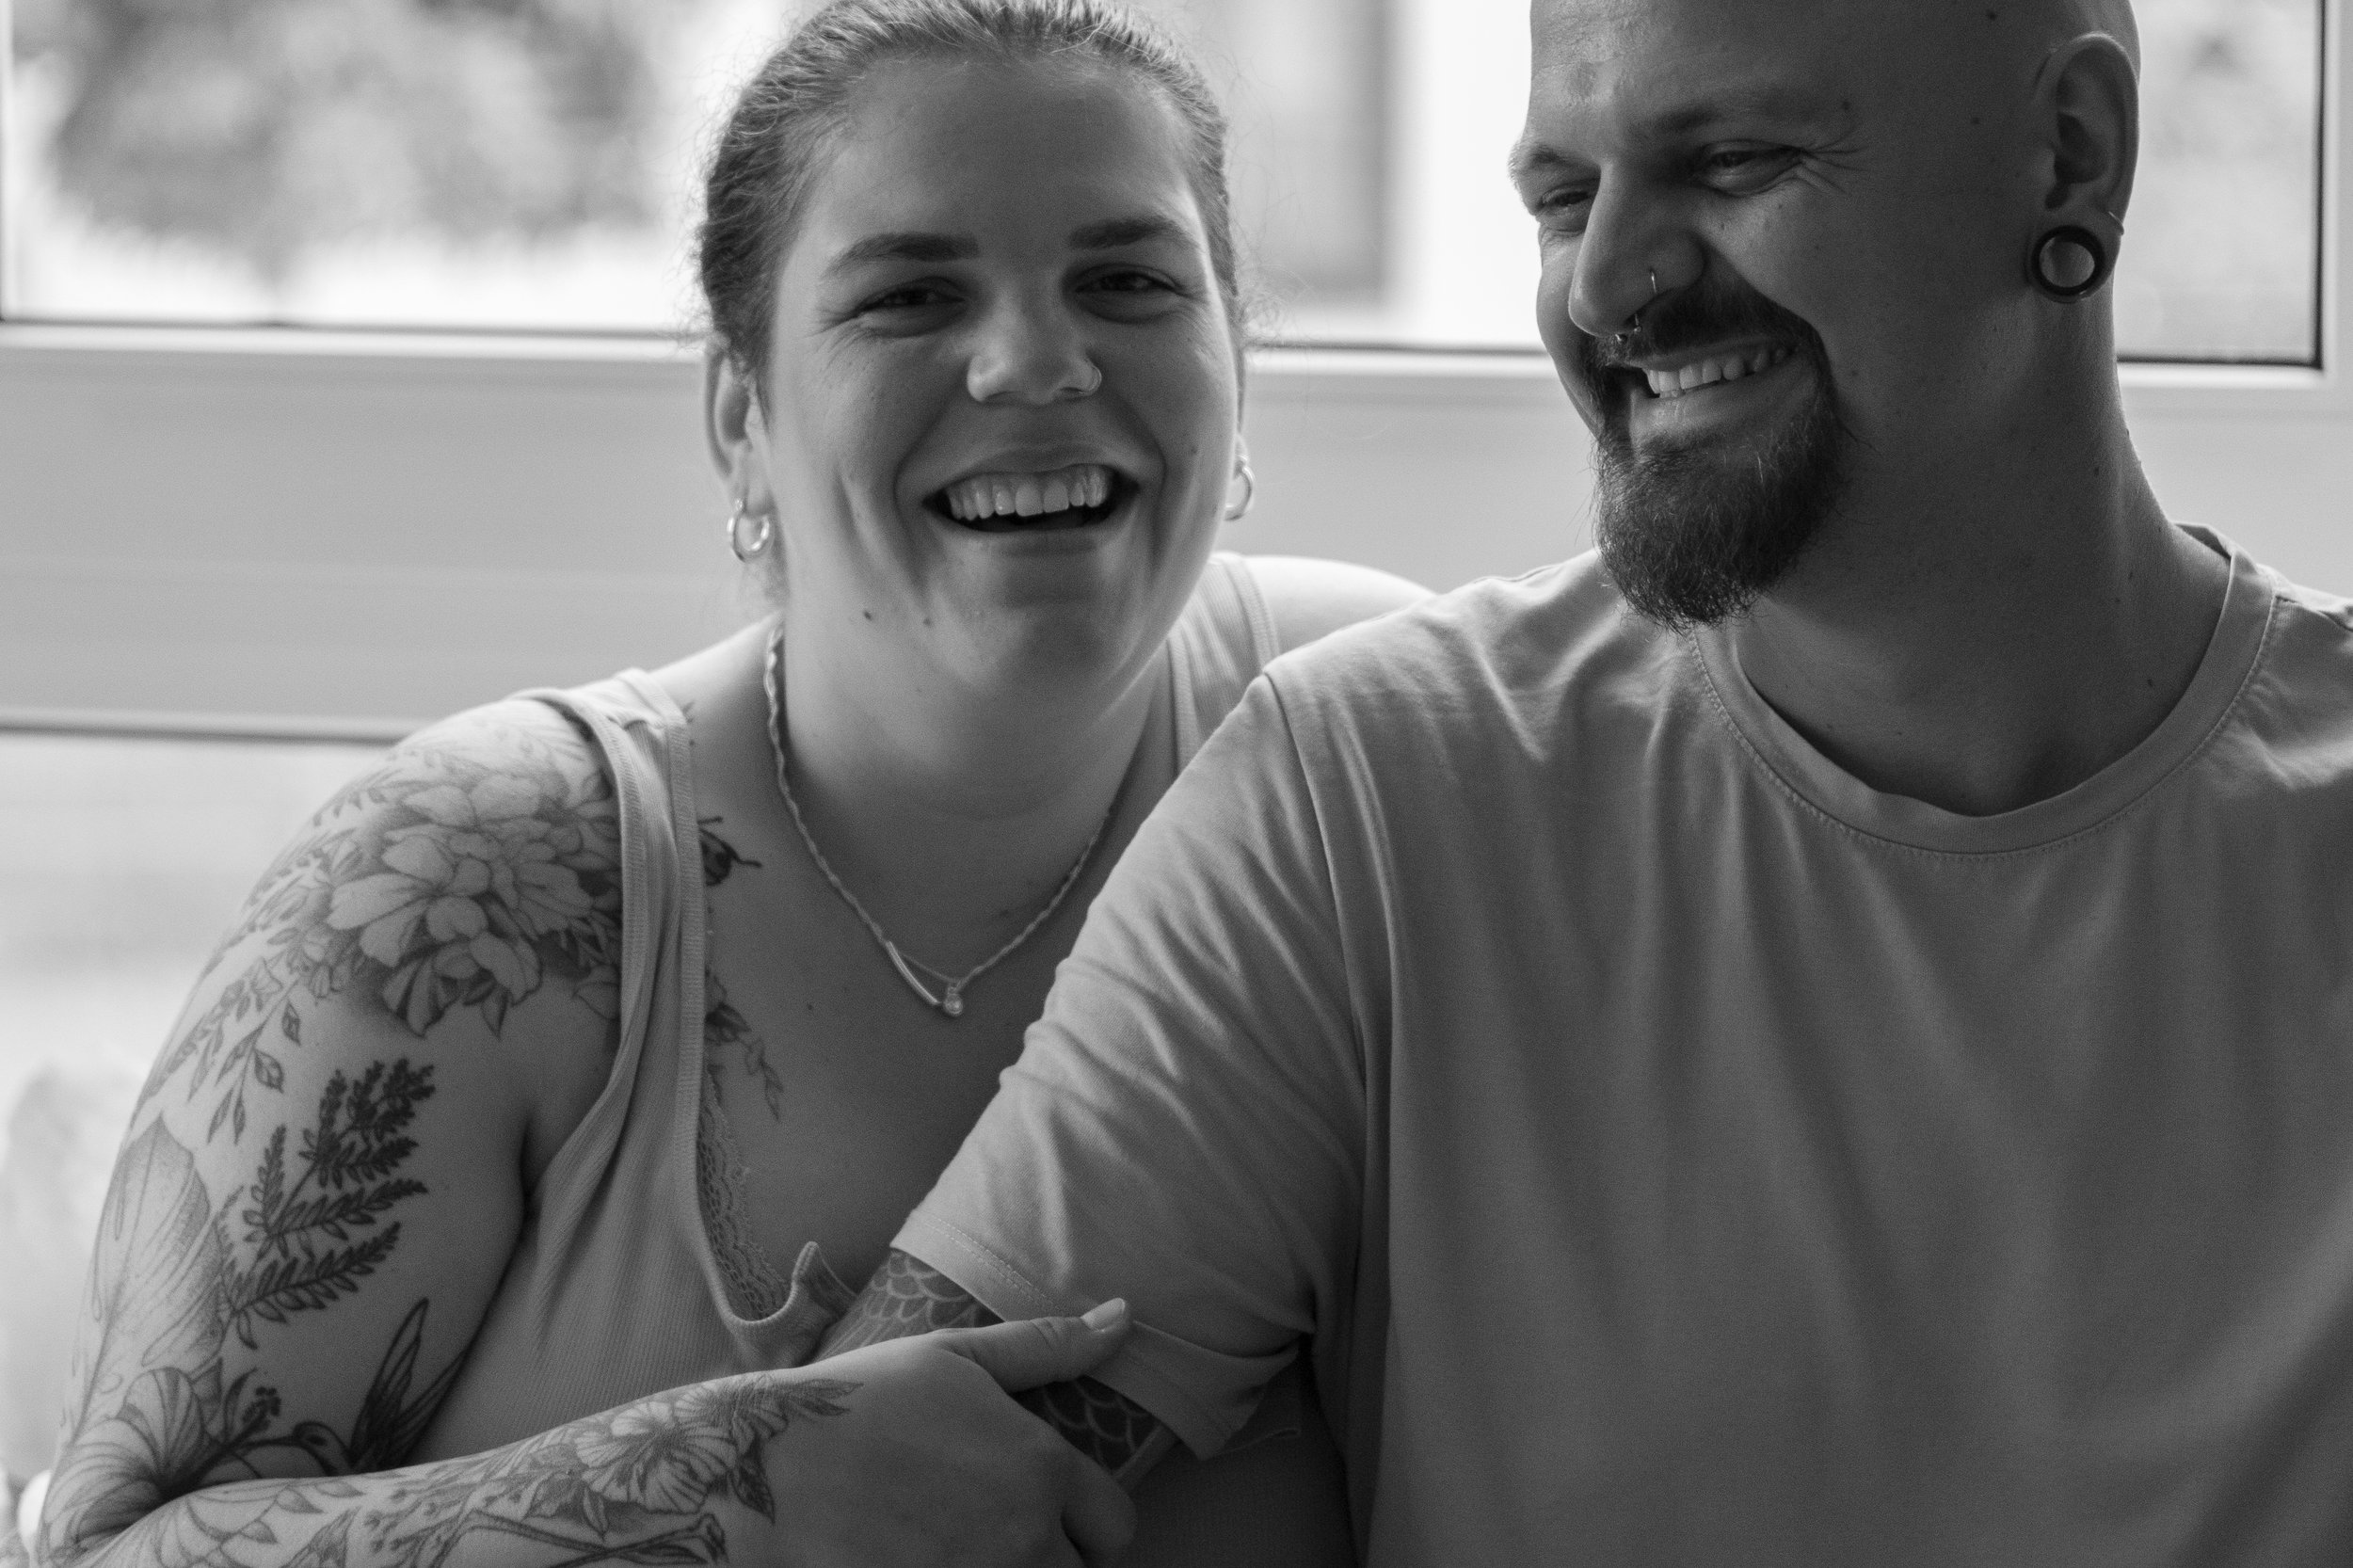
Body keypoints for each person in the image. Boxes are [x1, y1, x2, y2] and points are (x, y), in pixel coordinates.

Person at [821, 0, 2353, 1559]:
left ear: (2069, 156)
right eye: (1562, 199)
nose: (1606, 285)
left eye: (1738, 159)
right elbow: (877, 1492)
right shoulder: (1368, 801)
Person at [34, 4, 1423, 1567]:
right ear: (742, 421)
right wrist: (732, 1477)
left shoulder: (1372, 751)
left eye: (1130, 282)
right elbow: (104, 1551)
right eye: (910, 293)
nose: (1037, 356)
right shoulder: (469, 889)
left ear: (1238, 378)